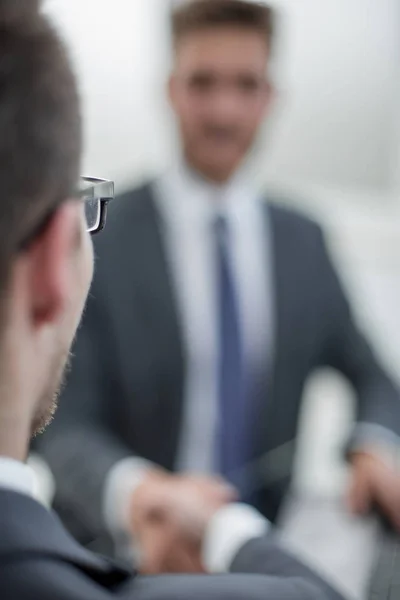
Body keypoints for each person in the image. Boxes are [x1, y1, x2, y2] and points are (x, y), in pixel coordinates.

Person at [0, 1, 349, 599]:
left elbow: (372, 374)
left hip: (263, 545)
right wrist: (138, 494)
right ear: (171, 89)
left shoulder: (305, 239)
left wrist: (373, 444)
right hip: (119, 555)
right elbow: (62, 414)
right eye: (203, 83)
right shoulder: (103, 228)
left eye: (246, 85)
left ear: (270, 96)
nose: (223, 110)